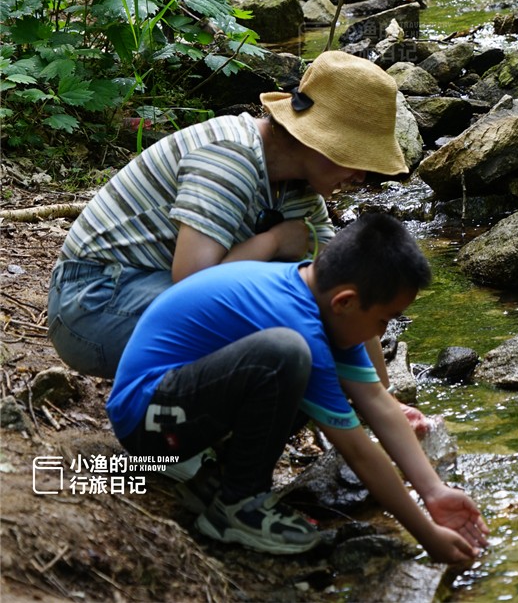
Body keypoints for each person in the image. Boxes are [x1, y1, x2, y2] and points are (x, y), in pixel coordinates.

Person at [107, 212, 489, 561]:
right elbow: (357, 450)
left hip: (180, 407)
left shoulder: (319, 301)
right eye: (385, 319)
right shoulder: (297, 321)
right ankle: (238, 508)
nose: (382, 333)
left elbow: (376, 400)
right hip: (147, 423)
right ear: (347, 302)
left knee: (299, 371)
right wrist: (426, 535)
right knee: (287, 355)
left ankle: (220, 474)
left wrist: (435, 493)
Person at [48, 51, 409, 381]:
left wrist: (386, 398)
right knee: (286, 332)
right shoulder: (231, 155)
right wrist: (274, 241)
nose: (362, 175)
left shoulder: (298, 189)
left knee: (309, 318)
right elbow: (194, 282)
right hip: (92, 304)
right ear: (319, 140)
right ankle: (176, 430)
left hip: (143, 296)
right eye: (356, 156)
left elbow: (344, 294)